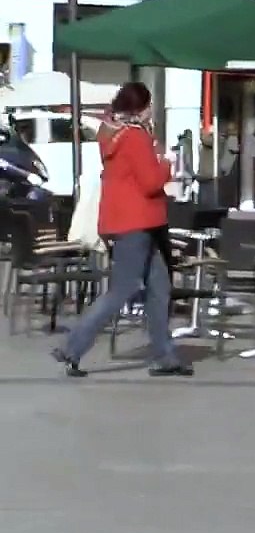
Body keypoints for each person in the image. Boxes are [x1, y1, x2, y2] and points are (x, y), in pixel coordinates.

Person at [52, 83, 192, 379]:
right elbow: (150, 183)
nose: (152, 111)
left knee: (159, 288)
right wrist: (168, 163)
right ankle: (72, 348)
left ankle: (165, 356)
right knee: (123, 289)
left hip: (129, 222)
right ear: (141, 107)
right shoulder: (136, 138)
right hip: (137, 223)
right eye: (149, 105)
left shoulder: (113, 134)